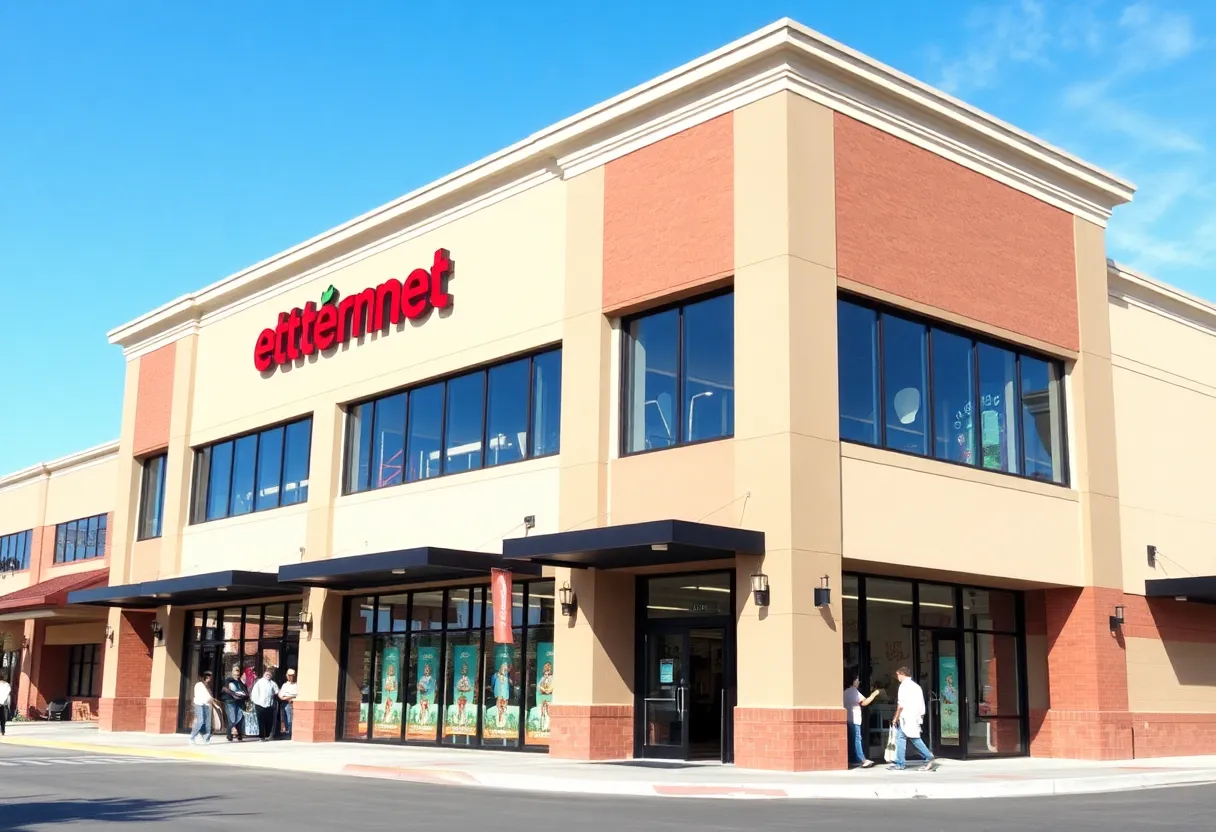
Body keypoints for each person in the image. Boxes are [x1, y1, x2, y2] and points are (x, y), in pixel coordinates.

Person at [890, 666, 939, 771]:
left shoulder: (903, 686)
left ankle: (928, 757)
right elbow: (921, 705)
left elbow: (901, 705)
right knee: (902, 738)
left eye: (897, 675)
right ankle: (900, 762)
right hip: (914, 717)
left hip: (906, 717)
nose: (897, 677)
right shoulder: (916, 687)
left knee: (913, 739)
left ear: (901, 674)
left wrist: (895, 718)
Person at [843, 675, 882, 768]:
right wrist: (874, 694)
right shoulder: (854, 691)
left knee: (852, 740)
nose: (858, 682)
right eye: (856, 680)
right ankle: (862, 759)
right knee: (857, 739)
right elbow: (864, 702)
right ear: (852, 681)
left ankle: (853, 759)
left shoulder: (845, 692)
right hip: (855, 719)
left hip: (848, 718)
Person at [250, 668, 280, 741]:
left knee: (269, 721)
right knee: (261, 721)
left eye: (270, 674)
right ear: (264, 674)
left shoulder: (273, 683)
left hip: (269, 705)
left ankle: (267, 735)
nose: (268, 675)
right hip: (259, 705)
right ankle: (261, 736)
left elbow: (277, 691)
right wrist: (255, 702)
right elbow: (254, 692)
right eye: (267, 673)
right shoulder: (259, 682)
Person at [220, 666, 249, 742]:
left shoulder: (240, 682)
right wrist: (234, 695)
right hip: (230, 701)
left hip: (239, 702)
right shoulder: (228, 680)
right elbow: (225, 689)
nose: (237, 673)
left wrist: (244, 695)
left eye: (238, 671)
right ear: (232, 672)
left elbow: (246, 692)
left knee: (239, 718)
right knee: (232, 719)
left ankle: (240, 734)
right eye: (235, 671)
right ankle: (229, 735)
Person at [190, 671, 215, 745]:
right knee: (200, 721)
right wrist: (209, 699)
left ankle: (206, 737)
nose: (209, 679)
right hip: (199, 704)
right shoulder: (199, 685)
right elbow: (200, 695)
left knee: (207, 722)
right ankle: (192, 737)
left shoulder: (207, 686)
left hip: (207, 705)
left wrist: (210, 699)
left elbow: (209, 696)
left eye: (209, 677)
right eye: (207, 677)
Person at [278, 669, 298, 739]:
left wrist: (286, 697)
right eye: (289, 675)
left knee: (290, 719)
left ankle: (290, 733)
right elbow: (281, 694)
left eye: (292, 676)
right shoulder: (284, 684)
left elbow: (295, 694)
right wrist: (282, 697)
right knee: (283, 719)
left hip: (290, 703)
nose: (290, 677)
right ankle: (286, 731)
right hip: (284, 702)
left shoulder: (296, 685)